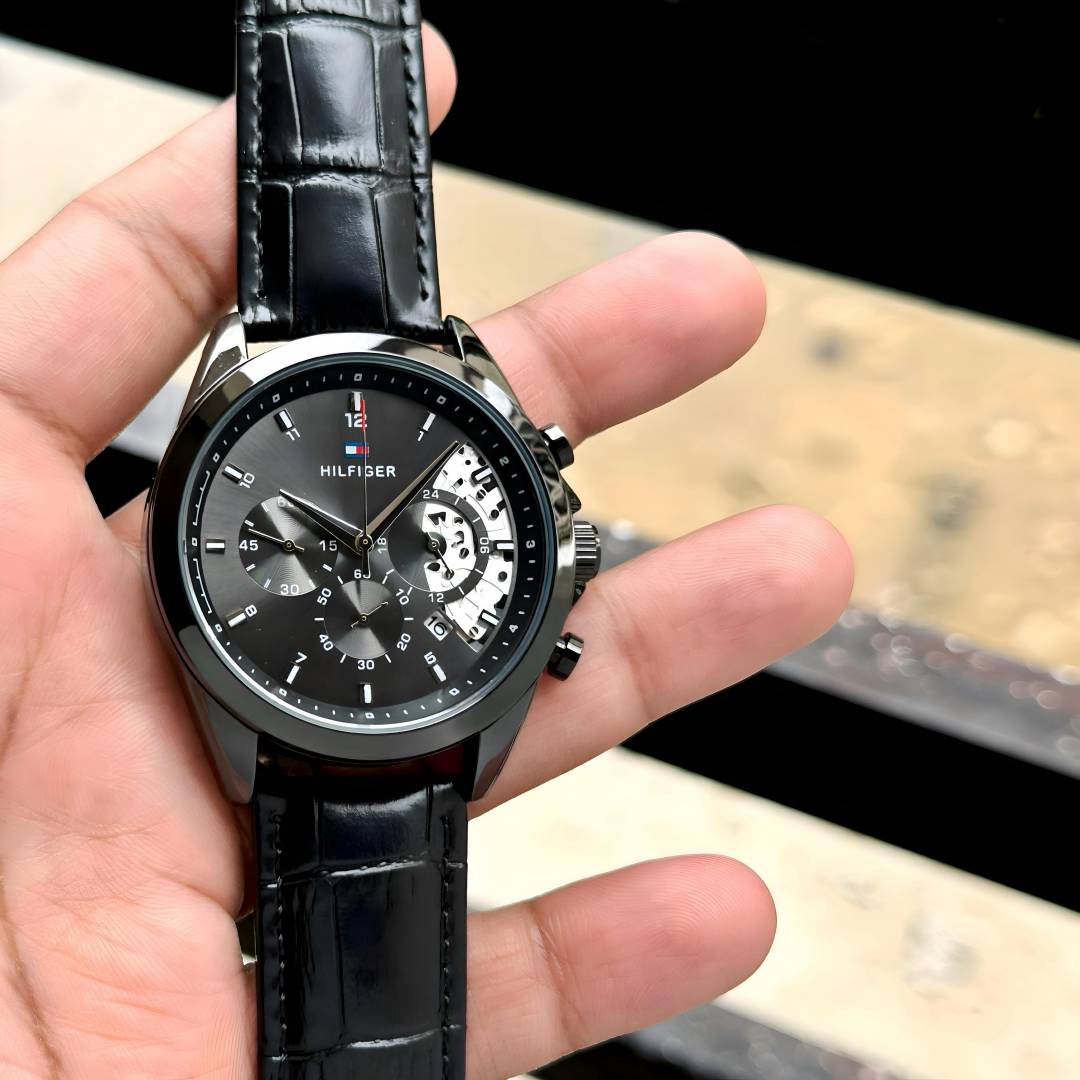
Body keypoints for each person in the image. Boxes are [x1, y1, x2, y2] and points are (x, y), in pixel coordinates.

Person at [0, 27, 852, 1079]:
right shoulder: (286, 387)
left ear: (558, 554)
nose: (364, 555)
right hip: (300, 716)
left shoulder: (349, 406)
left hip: (389, 712)